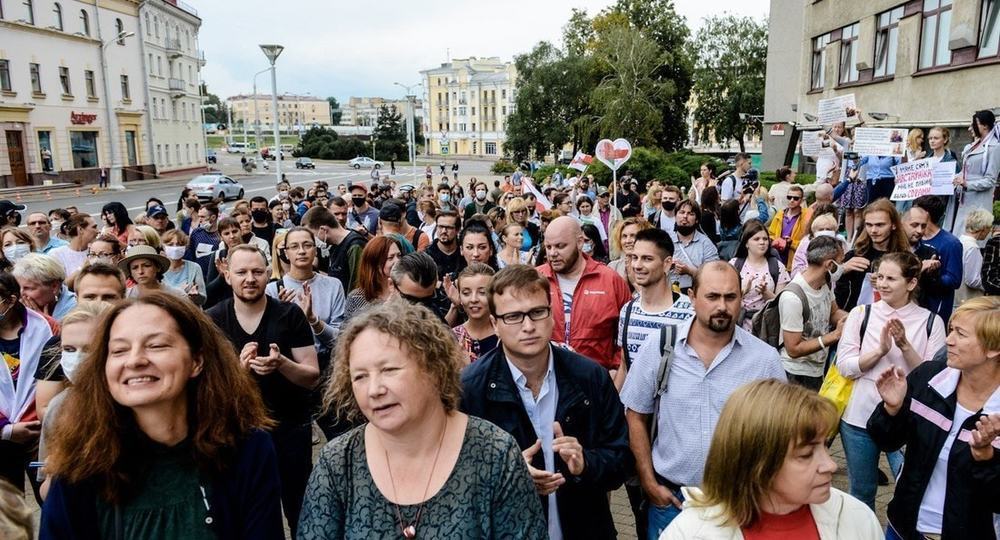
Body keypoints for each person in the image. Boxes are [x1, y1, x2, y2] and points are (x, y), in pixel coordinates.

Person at [41, 292, 284, 538]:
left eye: (156, 345)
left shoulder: (247, 449)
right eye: (119, 350)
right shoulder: (82, 461)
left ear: (196, 360)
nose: (134, 360)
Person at [299, 301, 546, 538]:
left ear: (434, 369)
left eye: (389, 370)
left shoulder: (495, 454)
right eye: (360, 377)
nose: (374, 389)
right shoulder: (338, 462)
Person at [460, 264, 630, 539]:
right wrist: (508, 475)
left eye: (537, 312)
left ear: (552, 315)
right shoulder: (469, 389)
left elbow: (621, 459)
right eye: (514, 316)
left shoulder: (590, 377)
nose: (528, 326)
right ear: (494, 324)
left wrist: (585, 462)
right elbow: (457, 478)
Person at [620, 261, 786, 538]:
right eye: (712, 296)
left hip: (740, 504)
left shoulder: (764, 359)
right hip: (672, 502)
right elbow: (635, 414)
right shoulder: (661, 347)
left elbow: (782, 431)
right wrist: (649, 483)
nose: (722, 306)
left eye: (730, 297)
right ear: (692, 297)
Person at [662, 379, 883, 539]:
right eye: (806, 455)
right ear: (756, 463)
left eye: (825, 446)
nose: (831, 465)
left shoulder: (856, 518)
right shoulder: (689, 534)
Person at [207, 245, 320, 535]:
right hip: (237, 431)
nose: (250, 278)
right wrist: (238, 372)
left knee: (300, 508)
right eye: (241, 272)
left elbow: (311, 375)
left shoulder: (289, 315)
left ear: (268, 275)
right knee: (247, 516)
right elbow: (206, 388)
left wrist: (282, 363)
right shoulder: (212, 320)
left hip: (290, 426)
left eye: (257, 272)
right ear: (227, 274)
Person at [868, 296, 1000, 540]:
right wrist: (891, 409)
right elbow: (886, 441)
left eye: (961, 334)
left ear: (993, 348)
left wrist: (985, 458)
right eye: (951, 330)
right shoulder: (929, 378)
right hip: (903, 529)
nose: (948, 341)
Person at [835, 251, 946, 512]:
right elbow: (845, 366)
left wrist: (905, 345)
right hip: (860, 418)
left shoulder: (931, 322)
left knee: (912, 490)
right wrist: (879, 352)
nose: (882, 283)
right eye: (880, 277)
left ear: (911, 283)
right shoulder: (861, 314)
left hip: (910, 423)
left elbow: (935, 379)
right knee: (861, 494)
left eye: (891, 278)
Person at [32, 263, 126, 431]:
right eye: (90, 297)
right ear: (76, 298)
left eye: (108, 297)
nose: (99, 303)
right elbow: (46, 410)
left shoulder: (134, 344)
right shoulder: (57, 344)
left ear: (123, 299)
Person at [537, 217, 631, 371]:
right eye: (548, 247)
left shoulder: (609, 279)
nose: (552, 253)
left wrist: (616, 370)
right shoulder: (535, 279)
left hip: (596, 380)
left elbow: (628, 333)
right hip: (546, 379)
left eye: (560, 246)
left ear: (580, 242)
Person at [0, 273, 51, 494]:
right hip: (2, 436)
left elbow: (56, 379)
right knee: (6, 512)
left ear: (10, 300)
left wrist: (35, 421)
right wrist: (5, 429)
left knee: (49, 498)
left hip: (37, 432)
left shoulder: (47, 328)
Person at [778, 235, 848, 390]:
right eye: (841, 262)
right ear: (830, 265)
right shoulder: (793, 297)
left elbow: (833, 312)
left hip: (818, 369)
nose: (842, 267)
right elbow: (793, 349)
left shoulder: (825, 285)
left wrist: (860, 317)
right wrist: (834, 336)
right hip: (795, 374)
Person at [835, 199, 911, 311]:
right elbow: (838, 297)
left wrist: (887, 284)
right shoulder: (855, 256)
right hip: (854, 319)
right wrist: (841, 270)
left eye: (880, 225)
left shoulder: (905, 259)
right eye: (869, 225)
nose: (873, 230)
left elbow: (913, 298)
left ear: (893, 225)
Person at [946, 111, 1000, 235]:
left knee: (969, 237)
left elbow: (990, 180)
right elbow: (964, 171)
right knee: (957, 235)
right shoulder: (972, 146)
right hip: (960, 200)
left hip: (977, 202)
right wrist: (950, 178)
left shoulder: (994, 147)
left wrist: (967, 184)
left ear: (985, 126)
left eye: (973, 124)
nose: (970, 128)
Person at [911, 195, 963, 322]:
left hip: (935, 309)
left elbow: (954, 280)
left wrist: (933, 275)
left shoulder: (950, 243)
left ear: (926, 214)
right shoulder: (912, 238)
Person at [731, 220, 790, 329]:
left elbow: (782, 303)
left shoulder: (777, 266)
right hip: (739, 325)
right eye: (756, 239)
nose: (762, 242)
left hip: (767, 327)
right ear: (746, 243)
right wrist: (743, 291)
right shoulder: (734, 264)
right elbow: (726, 299)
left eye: (765, 239)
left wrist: (765, 292)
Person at [301, 206, 367, 293]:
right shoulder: (334, 246)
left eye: (313, 235)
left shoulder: (355, 246)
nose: (313, 240)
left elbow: (358, 286)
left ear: (323, 230)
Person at [344, 236, 404, 320]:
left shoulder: (407, 291)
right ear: (375, 264)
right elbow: (345, 332)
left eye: (399, 255)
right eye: (390, 258)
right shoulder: (356, 298)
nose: (397, 261)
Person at [668, 200, 720, 292]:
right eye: (682, 212)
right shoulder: (666, 241)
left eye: (690, 214)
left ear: (696, 220)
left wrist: (689, 271)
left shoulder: (706, 244)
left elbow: (713, 275)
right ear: (675, 216)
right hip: (669, 292)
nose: (685, 216)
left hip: (697, 292)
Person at [451, 263, 497, 363]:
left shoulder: (506, 333)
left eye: (482, 292)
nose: (474, 299)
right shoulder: (452, 338)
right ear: (460, 297)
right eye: (466, 293)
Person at [12, 254, 76, 321]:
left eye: (28, 288)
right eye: (18, 287)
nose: (21, 294)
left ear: (54, 286)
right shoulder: (17, 308)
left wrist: (43, 322)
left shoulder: (75, 309)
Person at [790, 207, 847, 278]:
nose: (825, 231)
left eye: (828, 229)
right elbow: (795, 272)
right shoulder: (806, 242)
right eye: (821, 229)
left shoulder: (839, 243)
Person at [767, 184, 811, 268]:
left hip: (795, 262)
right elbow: (771, 234)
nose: (791, 200)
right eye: (789, 197)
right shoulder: (779, 214)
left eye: (796, 198)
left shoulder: (806, 216)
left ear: (801, 200)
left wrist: (790, 243)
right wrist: (775, 241)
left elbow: (808, 242)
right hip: (776, 260)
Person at [119, 245, 184, 299]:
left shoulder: (177, 295)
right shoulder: (125, 297)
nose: (140, 271)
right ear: (130, 272)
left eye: (147, 266)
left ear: (158, 267)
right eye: (135, 268)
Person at [956, 208, 992, 305]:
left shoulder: (960, 240)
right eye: (989, 228)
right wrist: (990, 285)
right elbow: (973, 280)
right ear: (983, 228)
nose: (990, 231)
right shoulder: (972, 247)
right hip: (968, 300)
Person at [161, 230, 207, 305]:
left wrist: (195, 296)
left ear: (185, 247)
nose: (175, 248)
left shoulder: (194, 268)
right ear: (163, 247)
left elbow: (203, 299)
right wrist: (181, 292)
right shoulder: (158, 270)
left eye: (179, 244)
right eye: (170, 244)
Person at [49, 213, 99, 279]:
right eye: (94, 227)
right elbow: (61, 286)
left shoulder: (98, 252)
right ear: (80, 229)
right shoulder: (56, 254)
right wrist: (83, 267)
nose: (98, 231)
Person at [608, 217, 652, 282]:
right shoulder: (613, 267)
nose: (628, 241)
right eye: (624, 236)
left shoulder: (652, 267)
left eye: (633, 236)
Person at [425, 210, 462, 278]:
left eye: (449, 228)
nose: (444, 231)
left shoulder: (465, 251)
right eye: (440, 227)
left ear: (457, 230)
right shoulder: (426, 255)